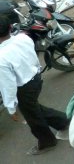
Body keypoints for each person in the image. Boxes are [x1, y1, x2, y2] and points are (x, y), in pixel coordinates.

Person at [0, 15, 69, 155]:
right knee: (33, 108)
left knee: (33, 117)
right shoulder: (23, 38)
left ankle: (47, 142)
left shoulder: (1, 57)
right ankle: (62, 121)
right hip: (36, 79)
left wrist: (11, 107)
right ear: (10, 27)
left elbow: (8, 85)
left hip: (24, 88)